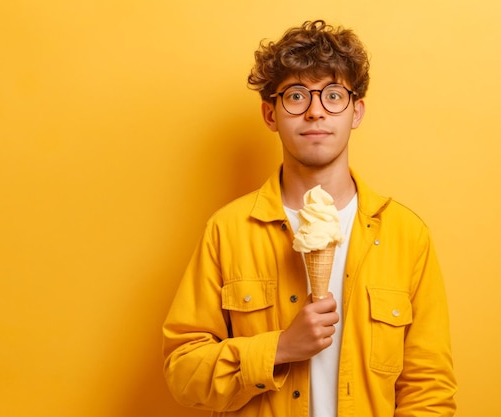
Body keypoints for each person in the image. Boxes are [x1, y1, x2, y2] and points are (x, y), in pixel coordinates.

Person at [162, 19, 457, 417]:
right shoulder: (227, 231)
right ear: (270, 114)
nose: (316, 111)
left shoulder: (407, 235)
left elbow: (429, 391)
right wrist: (280, 348)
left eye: (333, 95)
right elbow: (183, 372)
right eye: (297, 96)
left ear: (356, 111)